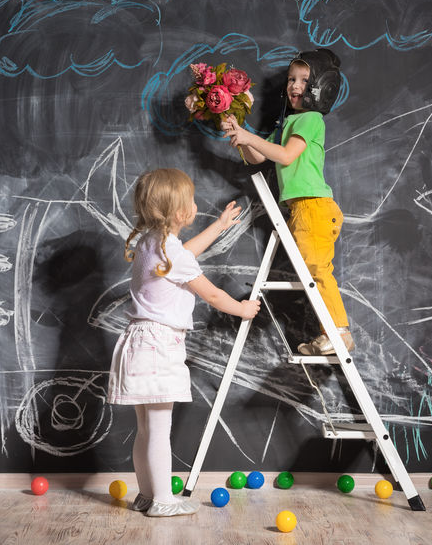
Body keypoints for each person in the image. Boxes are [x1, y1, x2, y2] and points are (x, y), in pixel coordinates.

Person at [107, 168, 261, 517]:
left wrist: (219, 226)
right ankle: (162, 500)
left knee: (146, 429)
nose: (195, 204)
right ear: (180, 212)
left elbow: (186, 252)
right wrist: (242, 309)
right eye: (191, 200)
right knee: (160, 429)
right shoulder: (171, 254)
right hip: (159, 348)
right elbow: (212, 293)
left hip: (138, 344)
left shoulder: (152, 242)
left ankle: (147, 495)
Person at [222, 48, 353, 356]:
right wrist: (239, 135)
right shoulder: (289, 124)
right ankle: (331, 333)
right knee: (312, 272)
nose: (295, 85)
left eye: (304, 80)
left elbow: (285, 155)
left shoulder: (310, 119)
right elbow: (259, 158)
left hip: (314, 206)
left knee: (318, 271)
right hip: (300, 209)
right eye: (291, 79)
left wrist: (249, 137)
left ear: (321, 86)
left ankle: (339, 334)